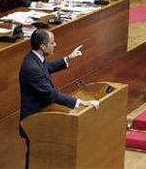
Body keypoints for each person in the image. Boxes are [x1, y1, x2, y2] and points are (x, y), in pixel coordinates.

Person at [19, 29, 99, 168]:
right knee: (35, 156)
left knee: (41, 155)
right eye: (52, 42)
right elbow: (51, 95)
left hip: (42, 114)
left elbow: (47, 67)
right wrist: (81, 103)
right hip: (33, 119)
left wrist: (68, 58)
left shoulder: (35, 57)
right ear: (42, 46)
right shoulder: (31, 67)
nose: (55, 44)